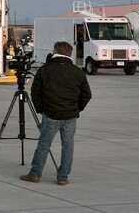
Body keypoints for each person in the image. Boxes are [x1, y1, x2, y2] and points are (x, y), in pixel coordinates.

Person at [21, 41, 92, 186]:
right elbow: (87, 94)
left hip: (51, 114)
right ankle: (63, 177)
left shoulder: (45, 69)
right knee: (68, 146)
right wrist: (77, 109)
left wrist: (41, 109)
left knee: (43, 145)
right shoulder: (77, 71)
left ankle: (35, 174)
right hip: (70, 116)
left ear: (55, 51)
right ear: (69, 53)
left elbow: (35, 92)